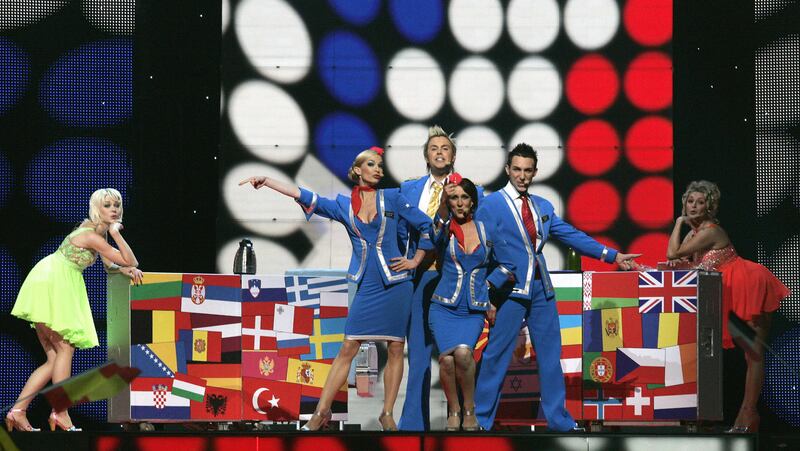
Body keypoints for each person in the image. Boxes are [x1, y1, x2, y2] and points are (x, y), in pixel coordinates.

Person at [240, 147, 435, 431]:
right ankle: (321, 412)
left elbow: (427, 226)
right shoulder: (344, 205)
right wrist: (268, 181)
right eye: (371, 164)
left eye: (380, 165)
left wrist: (416, 260)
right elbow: (306, 196)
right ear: (358, 170)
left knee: (395, 347)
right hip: (367, 285)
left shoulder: (393, 197)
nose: (378, 169)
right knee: (348, 347)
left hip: (396, 285)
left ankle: (387, 413)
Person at [473, 144, 640, 431]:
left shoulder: (542, 206)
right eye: (517, 169)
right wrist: (488, 289)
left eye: (527, 170)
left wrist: (611, 255)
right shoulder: (491, 205)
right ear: (507, 170)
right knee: (496, 355)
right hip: (510, 292)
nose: (522, 176)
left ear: (535, 172)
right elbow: (479, 252)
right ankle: (481, 421)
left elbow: (570, 235)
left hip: (541, 290)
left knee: (551, 357)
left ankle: (560, 422)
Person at [7, 188, 142, 432]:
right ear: (97, 208)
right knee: (65, 348)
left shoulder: (96, 232)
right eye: (107, 205)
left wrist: (124, 270)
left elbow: (111, 264)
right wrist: (117, 236)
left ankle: (18, 411)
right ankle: (60, 412)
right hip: (56, 281)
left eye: (117, 205)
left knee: (54, 358)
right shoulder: (92, 234)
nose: (114, 209)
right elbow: (130, 259)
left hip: (53, 278)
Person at [666, 180, 789, 433]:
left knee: (752, 353)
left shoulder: (711, 230)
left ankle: (748, 414)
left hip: (747, 285)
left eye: (700, 202)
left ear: (709, 207)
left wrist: (678, 223)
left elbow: (672, 253)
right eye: (690, 202)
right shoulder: (693, 234)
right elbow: (688, 263)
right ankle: (713, 414)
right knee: (713, 352)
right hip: (723, 290)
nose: (694, 207)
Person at [428, 175, 515, 431]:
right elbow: (435, 236)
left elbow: (509, 263)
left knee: (464, 355)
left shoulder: (488, 230)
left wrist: (488, 286)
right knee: (446, 360)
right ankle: (453, 409)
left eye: (464, 197)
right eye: (454, 198)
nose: (459, 203)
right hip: (443, 306)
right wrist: (443, 204)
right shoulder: (445, 227)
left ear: (473, 202)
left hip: (473, 308)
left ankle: (469, 408)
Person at [398, 125, 461, 431]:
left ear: (453, 155)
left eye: (445, 148)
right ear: (426, 155)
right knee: (419, 355)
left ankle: (462, 419)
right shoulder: (408, 189)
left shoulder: (469, 189)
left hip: (453, 279)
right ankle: (413, 425)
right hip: (419, 278)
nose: (439, 152)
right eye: (434, 148)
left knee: (457, 356)